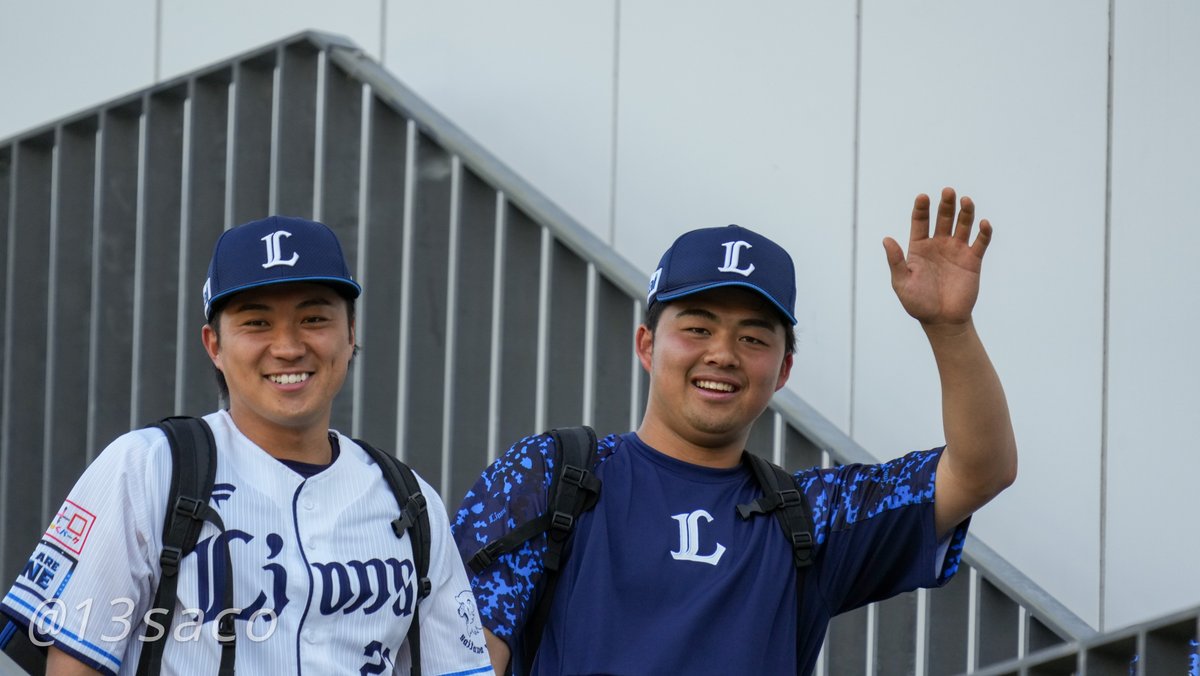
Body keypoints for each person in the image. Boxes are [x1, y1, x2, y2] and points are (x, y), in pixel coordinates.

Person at [452, 188, 1018, 675]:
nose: (722, 354)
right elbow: (466, 650)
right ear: (647, 345)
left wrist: (951, 328)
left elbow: (979, 470)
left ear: (783, 370)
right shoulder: (553, 474)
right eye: (697, 328)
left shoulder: (809, 517)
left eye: (752, 338)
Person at [1, 216, 494, 675]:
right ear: (214, 345)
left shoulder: (412, 502)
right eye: (256, 323)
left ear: (350, 333)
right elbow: (74, 664)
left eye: (314, 319)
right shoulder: (149, 468)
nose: (287, 347)